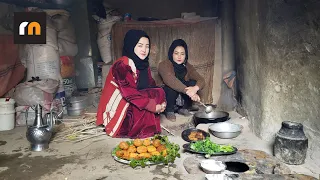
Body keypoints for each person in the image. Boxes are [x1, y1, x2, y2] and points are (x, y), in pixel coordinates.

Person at [97, 29, 166, 138]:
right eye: (140, 45)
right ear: (131, 45)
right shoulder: (122, 65)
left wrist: (161, 102)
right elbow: (130, 94)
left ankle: (147, 124)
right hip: (120, 107)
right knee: (143, 102)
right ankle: (139, 129)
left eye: (147, 46)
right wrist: (153, 106)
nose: (144, 50)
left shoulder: (143, 64)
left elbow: (150, 85)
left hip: (134, 99)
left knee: (159, 91)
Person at [158, 39, 205, 121]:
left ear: (185, 55)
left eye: (182, 54)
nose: (179, 57)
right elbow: (170, 79)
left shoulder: (187, 66)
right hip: (169, 97)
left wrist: (194, 89)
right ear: (171, 53)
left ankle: (184, 108)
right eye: (176, 53)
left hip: (181, 97)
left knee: (193, 83)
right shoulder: (163, 64)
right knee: (170, 87)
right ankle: (169, 111)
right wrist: (188, 92)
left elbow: (201, 79)